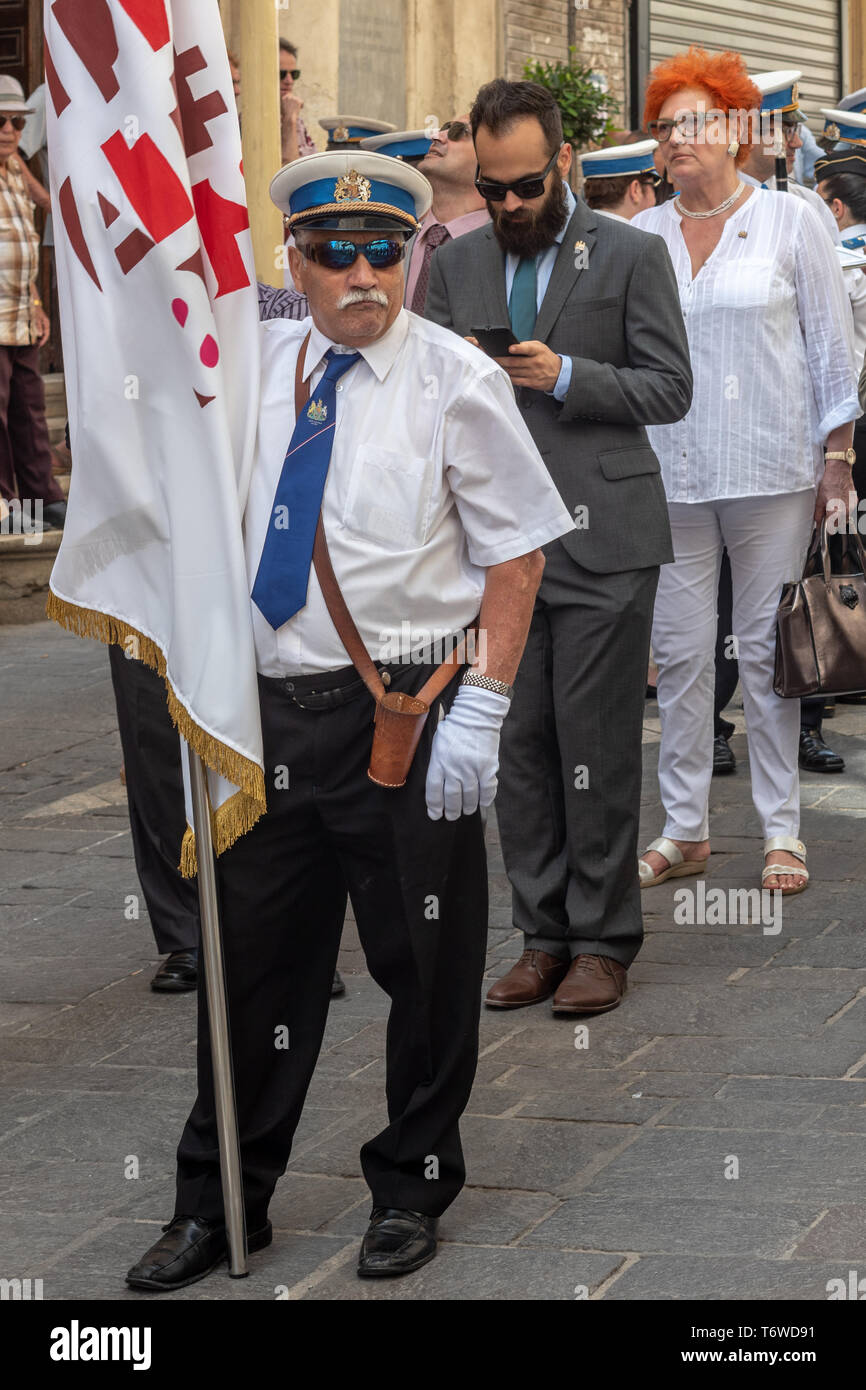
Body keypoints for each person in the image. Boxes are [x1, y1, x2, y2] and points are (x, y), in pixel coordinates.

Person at [125, 150, 574, 1291]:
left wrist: (481, 705)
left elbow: (514, 554)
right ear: (297, 262)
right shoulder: (255, 364)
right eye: (335, 253)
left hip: (403, 713)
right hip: (264, 720)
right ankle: (220, 1198)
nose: (362, 275)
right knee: (251, 971)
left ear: (409, 257)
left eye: (384, 250)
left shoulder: (454, 381)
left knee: (421, 962)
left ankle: (412, 1179)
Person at [425, 79, 692, 1016]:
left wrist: (569, 375)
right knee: (521, 746)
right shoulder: (452, 267)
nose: (507, 206)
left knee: (597, 744)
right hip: (495, 552)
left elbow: (669, 388)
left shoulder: (628, 252)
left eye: (525, 187)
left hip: (604, 541)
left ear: (564, 162)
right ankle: (541, 935)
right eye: (493, 190)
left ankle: (603, 941)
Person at [633, 46, 859, 898]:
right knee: (683, 656)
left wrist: (835, 461)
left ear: (733, 129)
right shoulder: (641, 235)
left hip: (771, 467)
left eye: (690, 123)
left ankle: (781, 830)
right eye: (664, 128)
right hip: (669, 474)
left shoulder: (794, 218)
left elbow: (834, 353)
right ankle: (683, 829)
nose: (675, 141)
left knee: (766, 653)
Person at [0, 75, 65, 529]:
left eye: (18, 123)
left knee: (29, 408)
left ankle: (41, 499)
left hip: (20, 313)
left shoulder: (12, 173)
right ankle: (4, 506)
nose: (9, 131)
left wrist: (38, 302)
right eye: (0, 121)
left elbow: (29, 233)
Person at [400, 115, 490, 314]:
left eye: (458, 131)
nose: (436, 136)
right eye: (443, 128)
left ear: (490, 156)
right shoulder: (398, 236)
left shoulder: (506, 247)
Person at [580, 139, 660, 222]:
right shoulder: (640, 234)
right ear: (635, 190)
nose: (654, 199)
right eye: (653, 186)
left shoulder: (574, 230)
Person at [279, 39, 316, 164]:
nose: (289, 81)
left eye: (294, 74)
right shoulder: (250, 122)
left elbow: (310, 168)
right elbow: (287, 172)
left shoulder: (298, 122)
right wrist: (289, 121)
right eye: (281, 74)